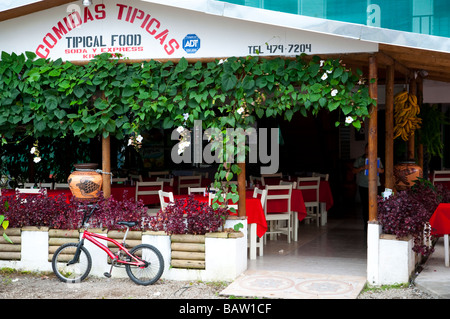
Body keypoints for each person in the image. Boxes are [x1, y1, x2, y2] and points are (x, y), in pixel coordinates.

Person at [352, 144, 384, 231]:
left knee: (377, 205)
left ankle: (378, 224)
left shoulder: (377, 159)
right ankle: (366, 225)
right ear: (365, 149)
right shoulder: (360, 159)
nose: (368, 150)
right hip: (363, 185)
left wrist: (378, 170)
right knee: (365, 205)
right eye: (367, 148)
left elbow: (382, 170)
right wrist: (362, 168)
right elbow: (353, 171)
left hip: (376, 185)